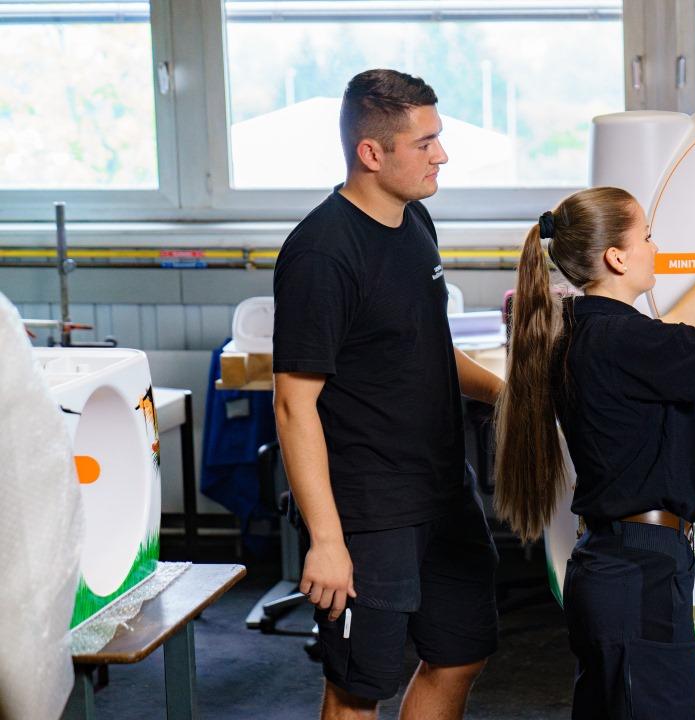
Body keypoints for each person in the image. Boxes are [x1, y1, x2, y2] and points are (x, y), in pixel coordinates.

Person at [493, 186, 695, 718]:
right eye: (647, 237)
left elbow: (673, 331)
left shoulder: (588, 328)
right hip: (639, 571)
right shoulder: (624, 341)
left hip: (616, 566)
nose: (655, 247)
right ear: (616, 257)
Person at [272, 69, 504, 720]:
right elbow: (293, 405)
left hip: (443, 489)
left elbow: (428, 344)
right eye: (425, 143)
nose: (442, 155)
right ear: (371, 153)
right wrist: (327, 540)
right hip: (369, 510)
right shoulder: (322, 254)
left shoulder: (415, 219)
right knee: (358, 690)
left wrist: (508, 395)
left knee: (460, 654)